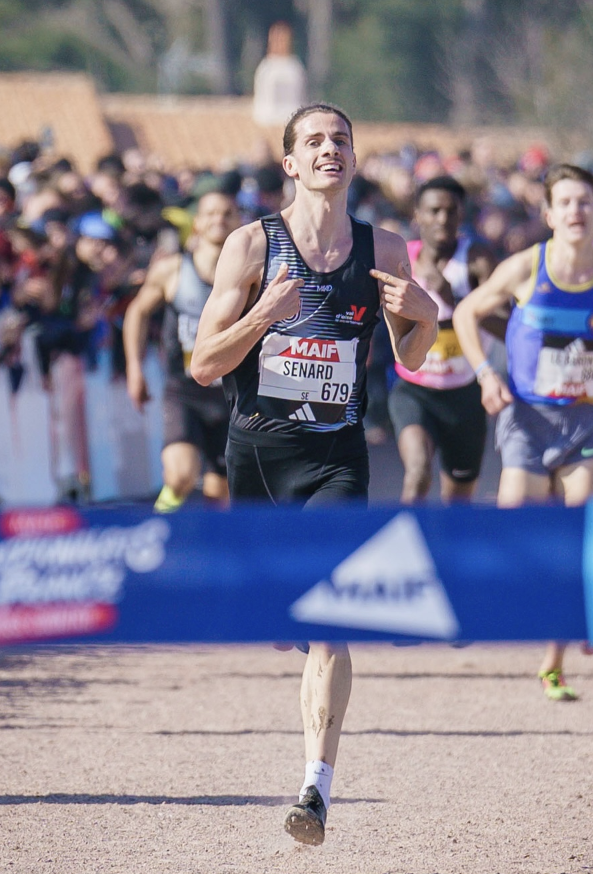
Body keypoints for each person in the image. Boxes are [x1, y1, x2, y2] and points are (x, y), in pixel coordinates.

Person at [190, 102, 439, 845]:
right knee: (286, 611)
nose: (330, 150)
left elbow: (414, 357)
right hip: (259, 456)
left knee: (330, 623)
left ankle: (314, 788)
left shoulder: (385, 249)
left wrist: (426, 313)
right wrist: (265, 312)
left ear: (354, 160)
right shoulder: (250, 246)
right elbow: (203, 365)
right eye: (314, 142)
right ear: (291, 164)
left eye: (342, 140)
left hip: (337, 457)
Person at [452, 163, 593, 701]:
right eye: (565, 203)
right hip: (528, 418)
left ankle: (553, 663)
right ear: (548, 214)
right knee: (518, 524)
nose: (577, 212)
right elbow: (468, 312)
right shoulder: (525, 267)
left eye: (586, 202)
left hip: (585, 421)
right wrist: (487, 373)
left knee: (577, 535)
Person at [123, 187, 242, 511]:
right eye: (210, 213)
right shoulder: (173, 269)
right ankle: (161, 520)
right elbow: (137, 311)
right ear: (197, 223)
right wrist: (135, 367)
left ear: (240, 221)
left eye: (227, 213)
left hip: (232, 395)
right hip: (185, 391)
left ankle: (213, 556)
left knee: (223, 493)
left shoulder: (252, 273)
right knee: (180, 477)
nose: (219, 219)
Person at [388, 175, 499, 503]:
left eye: (451, 211)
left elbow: (505, 325)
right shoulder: (401, 259)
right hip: (414, 391)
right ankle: (406, 546)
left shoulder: (477, 259)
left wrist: (452, 296)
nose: (443, 219)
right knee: (418, 473)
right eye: (434, 210)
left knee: (458, 502)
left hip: (464, 396)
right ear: (417, 214)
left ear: (461, 214)